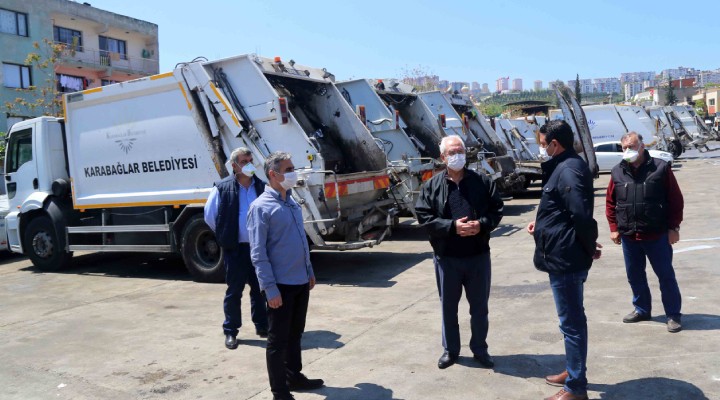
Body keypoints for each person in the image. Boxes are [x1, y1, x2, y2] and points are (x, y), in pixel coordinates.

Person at [415, 135, 504, 370]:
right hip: (447, 259)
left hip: (477, 257)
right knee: (448, 308)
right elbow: (424, 218)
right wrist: (452, 227)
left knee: (479, 308)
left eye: (461, 151)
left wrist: (481, 224)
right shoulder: (431, 186)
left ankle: (480, 349)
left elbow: (497, 209)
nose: (457, 156)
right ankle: (450, 350)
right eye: (452, 152)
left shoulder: (482, 181)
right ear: (443, 157)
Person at [526, 120, 600, 400]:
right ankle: (573, 369)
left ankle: (576, 388)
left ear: (555, 144)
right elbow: (562, 212)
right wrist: (540, 226)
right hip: (562, 252)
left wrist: (589, 245)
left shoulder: (568, 170)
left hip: (567, 259)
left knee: (571, 323)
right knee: (571, 321)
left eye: (543, 144)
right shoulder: (563, 166)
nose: (541, 149)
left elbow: (580, 216)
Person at [248, 151, 323, 400]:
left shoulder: (291, 202)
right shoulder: (260, 208)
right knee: (277, 340)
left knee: (295, 334)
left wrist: (309, 271)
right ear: (273, 174)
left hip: (300, 281)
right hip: (279, 285)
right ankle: (279, 391)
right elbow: (258, 253)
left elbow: (302, 241)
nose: (293, 172)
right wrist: (269, 289)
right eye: (288, 169)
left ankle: (294, 377)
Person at [606, 132, 684, 333]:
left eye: (631, 146)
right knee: (634, 275)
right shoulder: (617, 172)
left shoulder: (660, 168)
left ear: (642, 146)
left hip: (656, 235)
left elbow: (675, 200)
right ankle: (642, 309)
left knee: (665, 276)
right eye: (624, 148)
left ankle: (673, 315)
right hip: (629, 236)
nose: (628, 151)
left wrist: (673, 228)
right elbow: (611, 203)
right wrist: (614, 228)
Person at [204, 147, 268, 350]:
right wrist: (227, 235)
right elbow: (210, 216)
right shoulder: (222, 188)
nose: (249, 164)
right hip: (236, 249)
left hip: (258, 249)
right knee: (234, 291)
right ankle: (231, 331)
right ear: (234, 165)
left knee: (260, 290)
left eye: (250, 160)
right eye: (244, 161)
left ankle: (262, 326)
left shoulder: (262, 186)